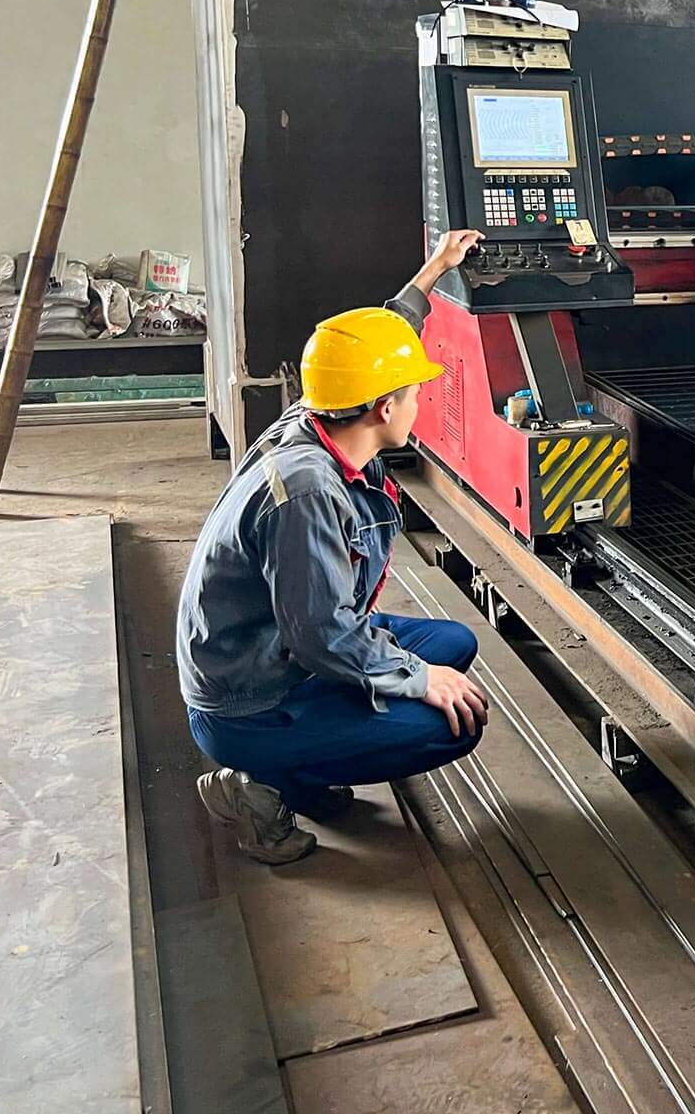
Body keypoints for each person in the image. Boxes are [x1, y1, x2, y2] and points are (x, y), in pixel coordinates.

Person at [178, 230, 492, 863]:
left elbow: (373, 342)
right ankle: (262, 783)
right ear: (383, 407)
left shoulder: (322, 413)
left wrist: (435, 267)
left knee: (454, 647)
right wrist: (414, 677)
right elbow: (321, 635)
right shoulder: (309, 493)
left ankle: (301, 765)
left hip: (263, 650)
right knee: (449, 720)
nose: (422, 398)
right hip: (247, 700)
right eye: (415, 391)